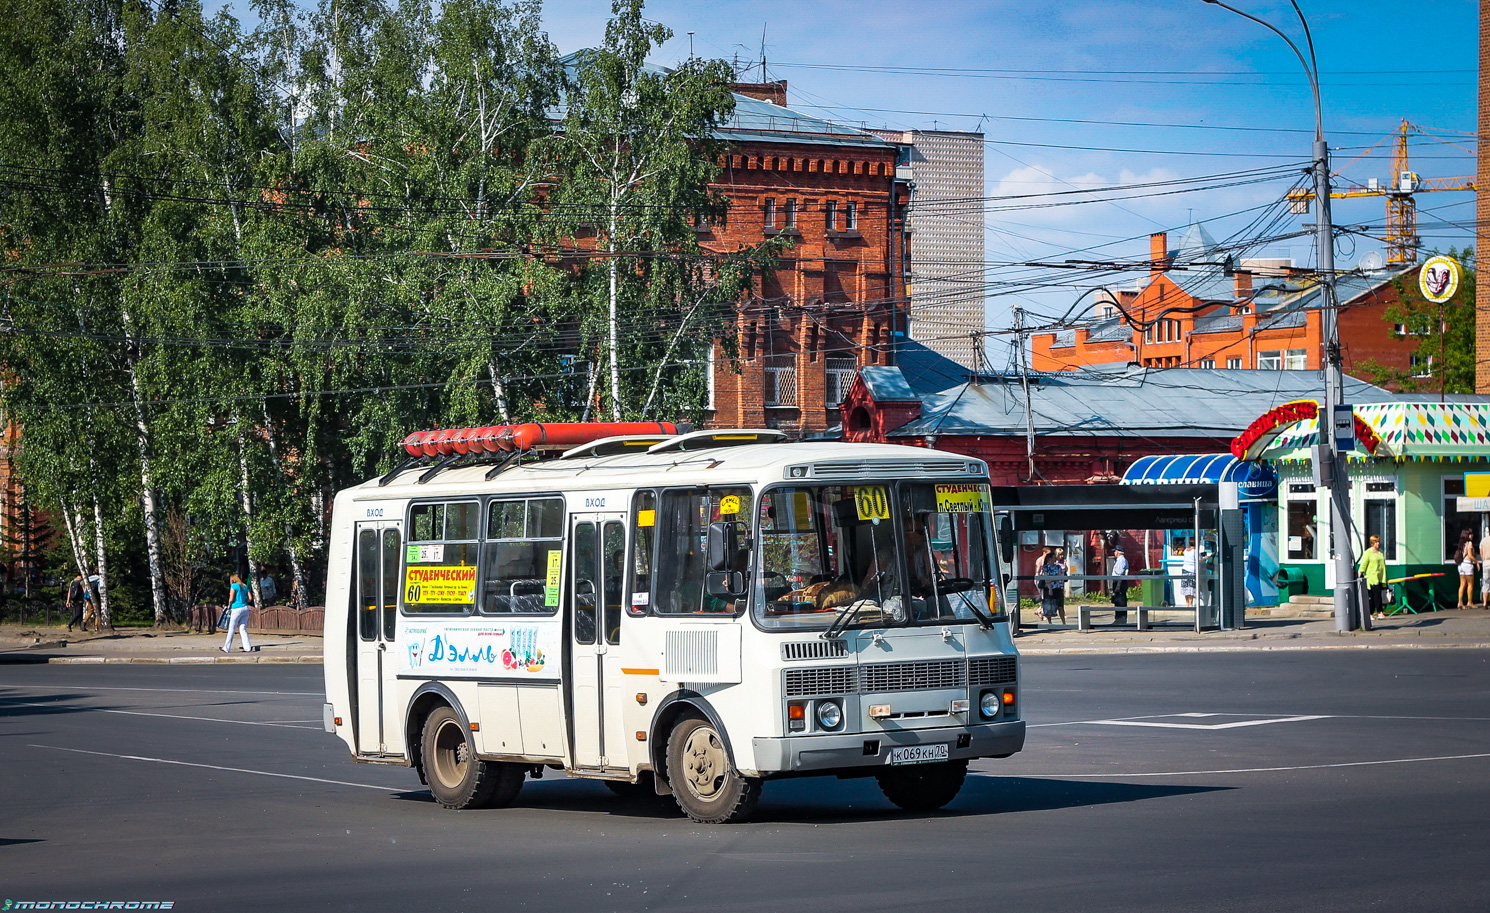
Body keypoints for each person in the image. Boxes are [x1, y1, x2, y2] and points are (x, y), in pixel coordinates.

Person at [221, 573, 255, 654]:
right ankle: (247, 647)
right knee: (243, 629)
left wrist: (229, 605)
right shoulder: (244, 586)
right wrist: (244, 602)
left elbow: (231, 598)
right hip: (245, 608)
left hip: (236, 609)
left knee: (231, 629)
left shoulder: (234, 586)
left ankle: (226, 647)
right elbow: (250, 598)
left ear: (232, 580)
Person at [1359, 534, 1388, 619]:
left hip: (1380, 577)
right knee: (1376, 595)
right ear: (1372, 543)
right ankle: (1378, 612)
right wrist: (1360, 575)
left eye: (1378, 542)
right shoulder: (1368, 553)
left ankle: (1371, 613)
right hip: (1371, 577)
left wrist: (1386, 577)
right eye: (1376, 542)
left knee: (1375, 596)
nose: (1378, 544)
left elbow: (1383, 565)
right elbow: (1363, 565)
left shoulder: (1381, 552)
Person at [1040, 547, 1068, 625]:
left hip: (1057, 588)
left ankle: (1064, 623)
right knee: (1048, 606)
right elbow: (1046, 579)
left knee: (1060, 606)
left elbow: (1059, 577)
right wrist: (1050, 586)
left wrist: (1051, 578)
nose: (1055, 559)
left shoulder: (1057, 566)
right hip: (1048, 588)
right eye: (1053, 557)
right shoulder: (1045, 567)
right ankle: (1050, 623)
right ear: (1050, 559)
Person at [1455, 529, 1476, 609]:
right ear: (1467, 535)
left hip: (1461, 565)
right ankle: (1470, 602)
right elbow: (1470, 556)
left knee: (1462, 585)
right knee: (1470, 584)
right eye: (1470, 534)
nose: (1472, 535)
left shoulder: (1461, 544)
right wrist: (1476, 562)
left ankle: (1460, 603)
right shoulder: (1469, 543)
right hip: (1468, 565)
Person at [1110, 545, 1130, 625]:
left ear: (1118, 552)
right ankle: (1118, 619)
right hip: (1118, 582)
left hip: (1120, 582)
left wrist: (1118, 586)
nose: (1114, 553)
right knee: (1117, 601)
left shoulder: (1121, 561)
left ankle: (1121, 620)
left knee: (1120, 601)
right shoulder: (1119, 560)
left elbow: (1120, 574)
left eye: (1115, 551)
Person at [1180, 541, 1198, 607]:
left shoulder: (1185, 550)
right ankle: (1190, 604)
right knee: (1191, 588)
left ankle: (1187, 603)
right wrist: (1204, 558)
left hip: (1185, 570)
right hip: (1192, 571)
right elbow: (1198, 561)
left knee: (1185, 587)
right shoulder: (1195, 551)